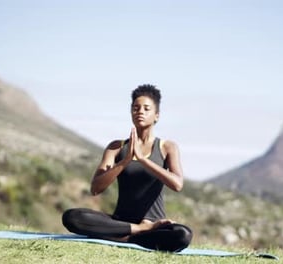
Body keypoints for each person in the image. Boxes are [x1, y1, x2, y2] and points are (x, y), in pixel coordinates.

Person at [62, 84, 193, 252]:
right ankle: (135, 233)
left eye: (147, 109)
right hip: (120, 222)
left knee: (183, 235)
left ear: (156, 116)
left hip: (154, 225)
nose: (140, 112)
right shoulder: (116, 147)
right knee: (72, 217)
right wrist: (124, 161)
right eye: (136, 108)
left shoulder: (167, 147)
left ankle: (125, 237)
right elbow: (95, 188)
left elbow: (177, 184)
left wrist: (143, 160)